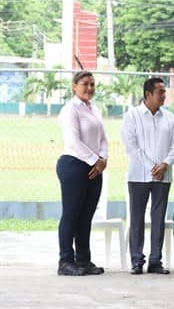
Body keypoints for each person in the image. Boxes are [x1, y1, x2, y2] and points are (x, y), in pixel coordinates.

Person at [121, 77, 174, 275]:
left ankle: (156, 261)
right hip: (138, 175)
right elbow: (130, 145)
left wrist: (164, 164)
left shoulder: (170, 118)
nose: (164, 95)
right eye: (160, 92)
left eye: (164, 92)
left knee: (158, 217)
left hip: (163, 175)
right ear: (148, 94)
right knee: (137, 218)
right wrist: (151, 166)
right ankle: (137, 260)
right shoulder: (132, 116)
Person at [56, 71, 107, 276]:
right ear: (74, 86)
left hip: (95, 167)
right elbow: (73, 141)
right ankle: (66, 261)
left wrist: (103, 160)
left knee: (86, 215)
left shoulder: (94, 109)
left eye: (93, 84)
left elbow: (102, 138)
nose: (89, 88)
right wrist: (95, 160)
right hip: (73, 165)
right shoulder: (70, 110)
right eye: (85, 84)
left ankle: (83, 260)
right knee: (71, 214)